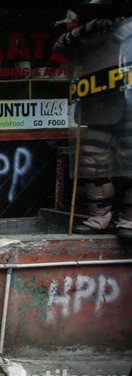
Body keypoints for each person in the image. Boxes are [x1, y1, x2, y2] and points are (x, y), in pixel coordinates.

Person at [53, 0, 132, 241]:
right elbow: (60, 47)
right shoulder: (93, 32)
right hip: (99, 108)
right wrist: (88, 28)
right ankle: (101, 216)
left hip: (129, 107)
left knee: (130, 162)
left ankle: (129, 218)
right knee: (91, 162)